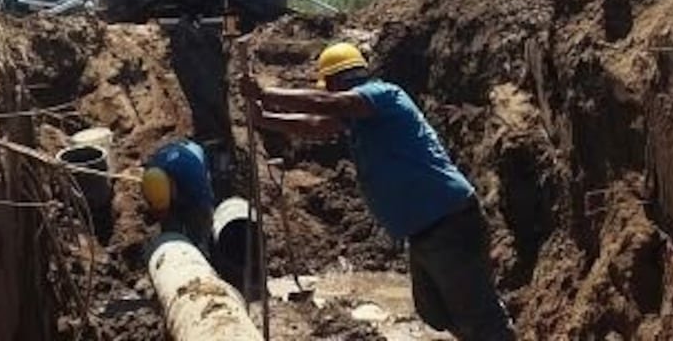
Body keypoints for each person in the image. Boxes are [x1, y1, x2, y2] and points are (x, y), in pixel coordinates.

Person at [240, 42, 515, 341]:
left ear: (335, 82)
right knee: (435, 312)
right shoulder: (359, 117)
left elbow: (330, 105)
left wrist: (266, 94)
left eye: (328, 88)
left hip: (447, 222)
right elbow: (316, 125)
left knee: (480, 318)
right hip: (426, 230)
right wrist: (265, 119)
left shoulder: (382, 95)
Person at [141, 138, 215, 253]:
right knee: (171, 224)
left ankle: (199, 246)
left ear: (172, 188)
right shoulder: (151, 174)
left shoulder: (195, 181)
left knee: (196, 222)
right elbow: (158, 204)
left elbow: (205, 210)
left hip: (193, 158)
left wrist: (202, 237)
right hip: (177, 161)